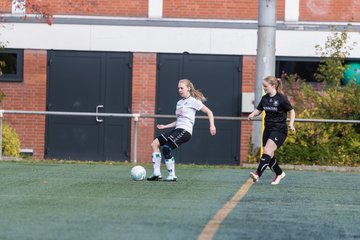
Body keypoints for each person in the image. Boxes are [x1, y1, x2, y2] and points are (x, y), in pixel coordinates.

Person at [147, 79, 216, 181]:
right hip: (177, 129)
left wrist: (212, 125)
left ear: (188, 88)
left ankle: (172, 175)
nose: (179, 90)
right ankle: (157, 173)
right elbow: (179, 121)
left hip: (185, 131)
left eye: (182, 88)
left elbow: (209, 112)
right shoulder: (179, 102)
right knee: (155, 143)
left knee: (166, 148)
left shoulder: (194, 101)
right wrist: (165, 126)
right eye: (178, 88)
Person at [248, 76, 296, 185]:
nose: (264, 88)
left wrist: (291, 124)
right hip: (268, 129)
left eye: (266, 86)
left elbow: (292, 111)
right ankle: (279, 173)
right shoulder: (265, 98)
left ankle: (257, 174)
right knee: (269, 156)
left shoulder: (281, 98)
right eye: (263, 86)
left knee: (266, 152)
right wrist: (252, 114)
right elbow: (259, 110)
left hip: (279, 130)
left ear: (273, 86)